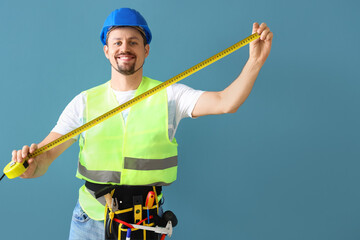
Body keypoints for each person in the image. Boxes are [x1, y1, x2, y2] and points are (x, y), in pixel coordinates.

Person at [12, 8, 273, 240]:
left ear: (145, 50)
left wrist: (255, 62)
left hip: (145, 227)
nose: (124, 48)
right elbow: (45, 156)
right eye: (117, 42)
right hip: (89, 224)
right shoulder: (83, 103)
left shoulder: (171, 96)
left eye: (133, 42)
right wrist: (30, 167)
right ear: (106, 50)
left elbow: (226, 102)